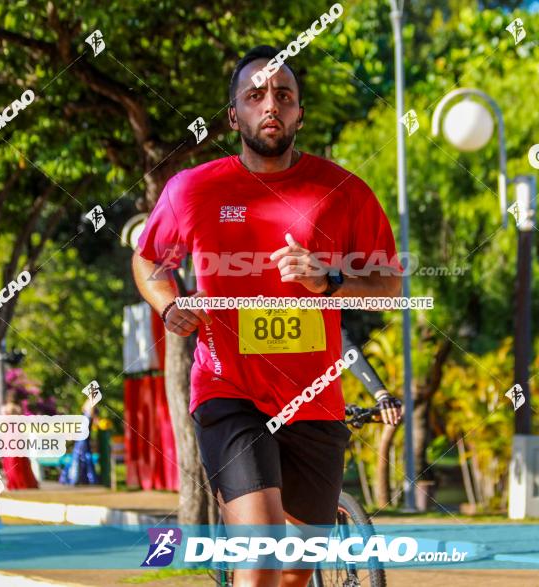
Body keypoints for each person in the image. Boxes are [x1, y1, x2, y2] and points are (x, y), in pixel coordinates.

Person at [133, 45, 403, 587]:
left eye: (284, 95)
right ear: (234, 115)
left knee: (297, 575)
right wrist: (168, 306)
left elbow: (389, 287)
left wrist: (328, 279)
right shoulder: (193, 189)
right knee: (261, 562)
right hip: (229, 390)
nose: (270, 105)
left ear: (300, 112)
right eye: (255, 95)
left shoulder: (343, 191)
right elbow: (148, 262)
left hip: (315, 401)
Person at [0, 390, 39, 490]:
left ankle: (14, 482)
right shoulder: (18, 408)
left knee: (11, 459)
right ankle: (21, 482)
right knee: (18, 459)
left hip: (10, 435)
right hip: (15, 435)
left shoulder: (5, 408)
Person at [59, 397, 98, 485]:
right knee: (82, 457)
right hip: (83, 437)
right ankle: (79, 478)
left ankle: (75, 478)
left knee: (79, 456)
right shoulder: (91, 405)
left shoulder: (89, 405)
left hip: (83, 437)